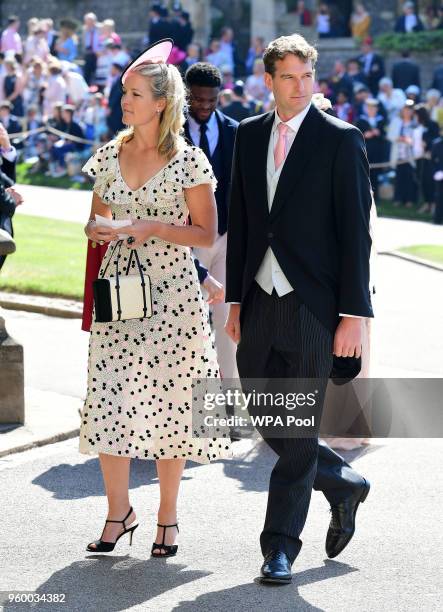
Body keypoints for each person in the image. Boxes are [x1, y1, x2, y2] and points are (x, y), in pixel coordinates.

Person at [225, 34, 372, 585]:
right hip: (259, 301)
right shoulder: (249, 135)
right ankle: (341, 481)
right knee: (269, 418)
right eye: (289, 77)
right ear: (269, 80)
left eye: (308, 77)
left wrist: (354, 315)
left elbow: (356, 234)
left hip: (315, 305)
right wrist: (237, 298)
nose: (301, 87)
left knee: (297, 427)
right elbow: (242, 222)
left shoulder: (340, 139)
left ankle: (279, 548)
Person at [80, 40, 232, 556]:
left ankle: (167, 515)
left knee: (172, 402)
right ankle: (118, 513)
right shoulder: (108, 154)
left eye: (135, 93)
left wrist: (152, 227)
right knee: (109, 400)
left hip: (173, 297)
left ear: (161, 102)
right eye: (124, 92)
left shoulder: (188, 161)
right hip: (118, 290)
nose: (125, 100)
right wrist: (98, 230)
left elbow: (207, 234)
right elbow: (95, 219)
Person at [183, 62, 239, 380]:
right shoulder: (170, 131)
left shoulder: (235, 130)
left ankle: (227, 409)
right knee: (189, 324)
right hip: (184, 239)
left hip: (226, 238)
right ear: (187, 95)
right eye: (198, 99)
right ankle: (190, 410)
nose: (204, 106)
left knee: (226, 323)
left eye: (211, 100)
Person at [388, 100, 418, 208]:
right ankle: (398, 199)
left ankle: (409, 200)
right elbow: (390, 136)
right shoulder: (396, 121)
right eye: (405, 109)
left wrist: (410, 141)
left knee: (410, 179)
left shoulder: (415, 123)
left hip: (410, 156)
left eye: (409, 110)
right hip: (398, 155)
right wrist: (399, 138)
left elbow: (417, 139)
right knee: (399, 179)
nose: (407, 111)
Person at [355, 98, 387, 200]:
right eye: (369, 107)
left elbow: (385, 136)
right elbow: (356, 135)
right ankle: (364, 195)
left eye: (373, 108)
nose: (371, 110)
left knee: (376, 173)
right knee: (364, 172)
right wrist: (364, 135)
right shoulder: (360, 120)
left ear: (377, 109)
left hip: (377, 151)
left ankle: (375, 196)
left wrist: (379, 133)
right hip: (365, 150)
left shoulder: (381, 120)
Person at [413, 104, 440, 213]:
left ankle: (433, 204)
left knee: (430, 181)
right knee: (422, 180)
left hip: (430, 158)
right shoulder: (417, 126)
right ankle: (427, 203)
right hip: (419, 157)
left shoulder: (433, 124)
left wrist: (427, 144)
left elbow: (436, 140)